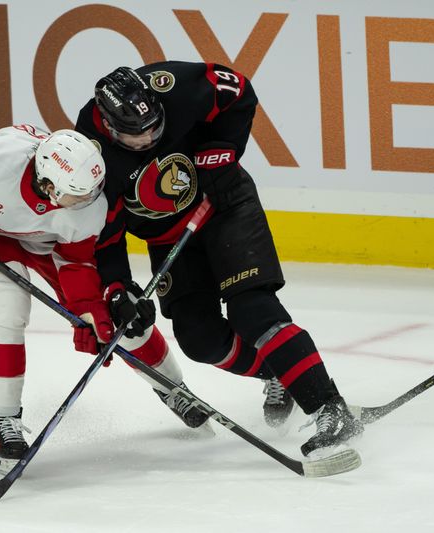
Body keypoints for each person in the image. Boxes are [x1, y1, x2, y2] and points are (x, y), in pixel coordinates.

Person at [75, 62, 363, 457]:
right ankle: (281, 372)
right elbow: (104, 236)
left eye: (155, 129)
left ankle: (330, 407)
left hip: (225, 203)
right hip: (168, 239)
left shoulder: (172, 86)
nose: (149, 140)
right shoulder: (88, 154)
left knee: (253, 309)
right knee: (200, 339)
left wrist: (222, 152)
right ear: (108, 126)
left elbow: (239, 92)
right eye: (136, 138)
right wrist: (118, 286)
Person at [0, 124, 208, 475]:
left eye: (93, 191)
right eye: (78, 195)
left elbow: (75, 261)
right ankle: (4, 422)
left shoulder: (87, 203)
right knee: (6, 306)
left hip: (46, 242)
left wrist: (88, 311)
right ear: (48, 186)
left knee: (117, 319)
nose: (89, 202)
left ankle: (174, 388)